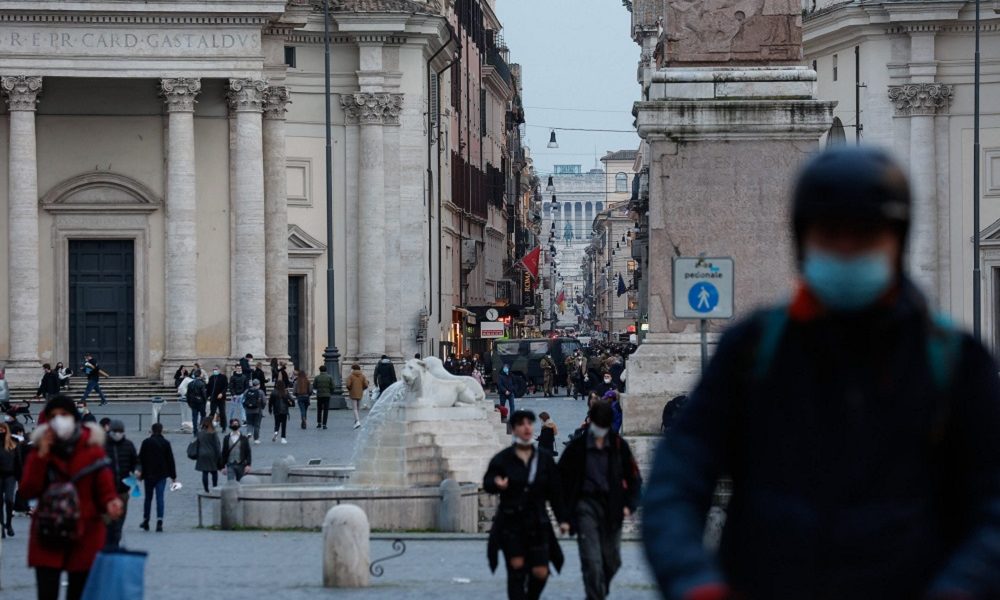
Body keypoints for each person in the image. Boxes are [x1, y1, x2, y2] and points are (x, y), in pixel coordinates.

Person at [642, 146, 1000, 599]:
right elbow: (678, 476)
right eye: (831, 233)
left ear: (897, 240)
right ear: (803, 241)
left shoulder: (956, 361)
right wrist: (694, 580)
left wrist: (962, 588)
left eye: (865, 234)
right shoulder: (751, 351)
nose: (847, 249)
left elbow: (993, 500)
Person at [20, 396, 122, 600]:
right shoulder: (40, 450)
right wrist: (41, 455)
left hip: (85, 532)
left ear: (74, 418)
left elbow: (105, 488)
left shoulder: (92, 448)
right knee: (46, 593)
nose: (59, 420)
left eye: (64, 415)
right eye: (53, 416)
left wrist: (112, 501)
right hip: (49, 531)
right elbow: (27, 491)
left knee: (79, 593)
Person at [484, 410, 570, 600]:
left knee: (541, 571)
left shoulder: (544, 459)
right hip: (511, 522)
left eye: (529, 423)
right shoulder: (503, 458)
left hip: (537, 521)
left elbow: (555, 492)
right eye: (521, 424)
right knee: (517, 569)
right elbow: (488, 482)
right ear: (514, 430)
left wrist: (563, 519)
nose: (526, 427)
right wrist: (496, 483)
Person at [559, 401, 641, 600]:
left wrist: (630, 506)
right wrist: (565, 515)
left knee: (612, 561)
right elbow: (560, 479)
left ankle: (598, 592)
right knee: (592, 560)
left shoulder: (619, 445)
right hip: (585, 506)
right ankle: (595, 596)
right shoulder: (577, 447)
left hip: (613, 507)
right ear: (591, 421)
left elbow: (634, 478)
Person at [103, 420, 137, 549]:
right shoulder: (103, 446)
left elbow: (136, 462)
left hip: (123, 491)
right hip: (107, 493)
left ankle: (114, 546)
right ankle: (108, 547)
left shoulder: (128, 446)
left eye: (120, 432)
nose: (117, 434)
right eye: (115, 432)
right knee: (108, 523)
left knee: (119, 523)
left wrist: (138, 470)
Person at [137, 422, 176, 533]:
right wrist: (173, 476)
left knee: (148, 499)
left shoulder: (146, 442)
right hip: (161, 475)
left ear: (152, 430)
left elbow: (140, 459)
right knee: (160, 498)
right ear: (161, 430)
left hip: (148, 475)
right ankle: (159, 521)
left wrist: (140, 473)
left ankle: (146, 520)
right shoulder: (165, 443)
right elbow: (170, 460)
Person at [0, 420, 21, 538]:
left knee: (9, 499)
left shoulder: (13, 444)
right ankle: (1, 526)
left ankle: (8, 524)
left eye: (2, 430)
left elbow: (19, 461)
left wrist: (20, 476)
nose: (1, 432)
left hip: (10, 475)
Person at [194, 420, 222, 493]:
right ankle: (215, 487)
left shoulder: (200, 433)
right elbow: (217, 446)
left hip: (202, 454)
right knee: (214, 472)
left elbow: (197, 444)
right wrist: (219, 456)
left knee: (205, 472)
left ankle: (206, 489)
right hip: (212, 454)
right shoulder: (213, 433)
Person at [268, 379, 292, 444]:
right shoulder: (286, 392)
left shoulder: (273, 392)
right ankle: (283, 438)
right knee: (284, 425)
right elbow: (291, 400)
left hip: (276, 410)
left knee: (277, 423)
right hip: (284, 410)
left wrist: (270, 409)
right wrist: (290, 404)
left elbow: (270, 402)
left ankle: (276, 432)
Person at [346, 363, 368, 430]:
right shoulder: (363, 376)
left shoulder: (351, 376)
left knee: (355, 408)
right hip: (360, 393)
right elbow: (366, 385)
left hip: (353, 393)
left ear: (353, 369)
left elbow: (348, 385)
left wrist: (350, 389)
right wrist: (362, 389)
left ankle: (357, 421)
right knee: (358, 408)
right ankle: (356, 421)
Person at [242, 378, 265, 444]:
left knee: (249, 423)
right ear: (258, 385)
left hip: (248, 410)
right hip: (258, 410)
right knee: (257, 425)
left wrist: (245, 407)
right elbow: (264, 401)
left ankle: (249, 432)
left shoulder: (247, 391)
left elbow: (243, 400)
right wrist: (262, 407)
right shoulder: (260, 392)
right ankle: (256, 439)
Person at [313, 365, 334, 430]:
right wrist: (330, 392)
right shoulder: (329, 377)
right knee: (326, 410)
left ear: (320, 370)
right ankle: (324, 424)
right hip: (327, 395)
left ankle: (319, 423)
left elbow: (314, 386)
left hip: (319, 395)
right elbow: (333, 386)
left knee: (319, 409)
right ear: (326, 370)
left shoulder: (317, 377)